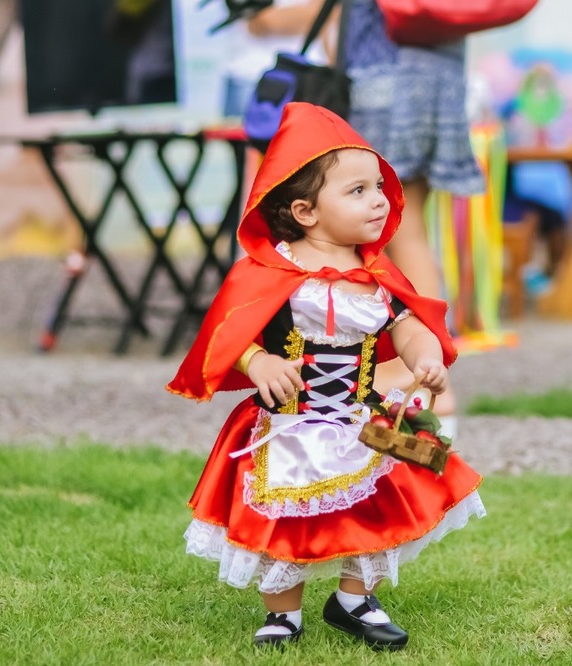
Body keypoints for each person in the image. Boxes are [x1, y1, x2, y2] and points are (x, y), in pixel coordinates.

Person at [167, 102, 486, 650]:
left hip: (360, 417)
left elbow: (408, 323)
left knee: (379, 508)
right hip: (289, 425)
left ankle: (354, 598)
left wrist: (424, 356)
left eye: (378, 186)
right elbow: (229, 331)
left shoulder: (377, 274)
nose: (378, 199)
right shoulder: (274, 272)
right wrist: (259, 362)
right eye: (357, 190)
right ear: (306, 211)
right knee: (281, 520)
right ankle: (282, 612)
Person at [340, 0, 488, 431]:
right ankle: (430, 373)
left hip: (383, 78)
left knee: (385, 228)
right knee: (408, 226)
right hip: (437, 76)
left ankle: (410, 373)